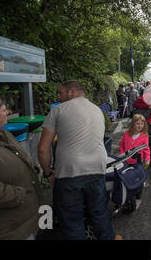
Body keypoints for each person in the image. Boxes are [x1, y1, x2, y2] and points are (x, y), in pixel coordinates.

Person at [38, 80, 115, 240]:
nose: (58, 97)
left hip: (69, 172)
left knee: (72, 221)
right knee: (100, 214)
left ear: (72, 91)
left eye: (61, 93)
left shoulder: (57, 111)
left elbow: (43, 148)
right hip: (97, 168)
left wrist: (47, 173)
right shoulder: (97, 110)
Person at [0, 95, 42, 240]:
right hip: (4, 229)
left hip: (24, 222)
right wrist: (21, 194)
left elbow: (22, 157)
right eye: (4, 110)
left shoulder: (4, 134)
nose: (8, 112)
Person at [118, 114, 150, 209]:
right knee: (125, 178)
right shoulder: (127, 134)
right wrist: (122, 154)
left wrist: (147, 159)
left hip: (137, 162)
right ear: (133, 124)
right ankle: (126, 194)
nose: (140, 126)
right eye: (137, 123)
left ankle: (138, 196)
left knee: (138, 179)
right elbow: (121, 145)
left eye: (142, 123)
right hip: (125, 161)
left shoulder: (144, 136)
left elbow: (146, 149)